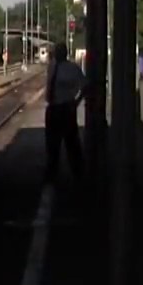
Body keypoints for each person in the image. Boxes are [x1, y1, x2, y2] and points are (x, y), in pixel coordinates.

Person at [45, 42, 86, 184]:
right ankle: (53, 172)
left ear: (64, 53)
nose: (56, 54)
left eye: (59, 51)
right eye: (56, 51)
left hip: (66, 107)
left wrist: (76, 101)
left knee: (71, 142)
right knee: (52, 143)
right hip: (53, 107)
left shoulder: (72, 68)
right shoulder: (52, 66)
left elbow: (84, 85)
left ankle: (78, 173)